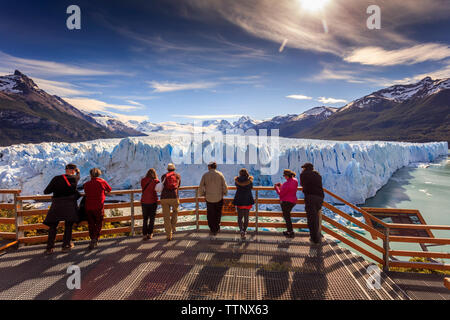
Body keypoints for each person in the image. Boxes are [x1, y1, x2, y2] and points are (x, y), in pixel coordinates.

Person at [43, 163, 81, 254]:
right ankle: (66, 246)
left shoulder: (56, 178)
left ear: (66, 170)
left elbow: (46, 191)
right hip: (69, 205)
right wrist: (78, 172)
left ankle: (49, 248)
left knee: (53, 226)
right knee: (68, 225)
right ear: (73, 171)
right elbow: (78, 176)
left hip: (57, 205)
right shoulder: (74, 178)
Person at [83, 168, 112, 250]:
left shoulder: (86, 184)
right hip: (98, 206)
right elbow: (109, 189)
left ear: (90, 175)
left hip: (88, 207)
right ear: (99, 174)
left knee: (91, 223)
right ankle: (96, 238)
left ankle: (92, 238)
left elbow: (86, 192)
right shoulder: (102, 182)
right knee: (99, 223)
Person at [199, 162, 228, 236]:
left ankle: (212, 228)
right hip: (219, 197)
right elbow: (224, 185)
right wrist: (225, 193)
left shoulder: (205, 175)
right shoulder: (220, 174)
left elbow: (201, 186)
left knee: (210, 213)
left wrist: (202, 194)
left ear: (209, 167)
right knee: (218, 213)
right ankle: (217, 228)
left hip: (209, 198)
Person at [300, 163, 325, 244]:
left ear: (305, 168)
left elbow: (302, 184)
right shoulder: (318, 175)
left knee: (311, 219)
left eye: (303, 168)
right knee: (316, 217)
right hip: (320, 197)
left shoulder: (304, 174)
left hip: (310, 197)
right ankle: (317, 236)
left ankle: (314, 239)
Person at [274, 169, 298, 239]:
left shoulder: (286, 184)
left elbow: (280, 193)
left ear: (287, 176)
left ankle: (290, 232)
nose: (284, 177)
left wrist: (276, 187)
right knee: (288, 217)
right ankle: (289, 231)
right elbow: (288, 189)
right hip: (293, 201)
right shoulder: (295, 181)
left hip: (286, 202)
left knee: (287, 217)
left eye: (284, 176)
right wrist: (281, 185)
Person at [160, 163, 181, 241]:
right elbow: (178, 186)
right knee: (175, 212)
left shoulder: (163, 176)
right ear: (174, 169)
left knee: (166, 217)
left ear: (167, 169)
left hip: (164, 198)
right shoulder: (177, 176)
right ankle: (173, 227)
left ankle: (169, 235)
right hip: (174, 197)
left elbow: (162, 185)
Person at [232, 168, 255, 240]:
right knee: (246, 217)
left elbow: (237, 186)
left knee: (239, 217)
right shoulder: (250, 181)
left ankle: (241, 230)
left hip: (239, 200)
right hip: (247, 200)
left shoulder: (237, 181)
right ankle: (244, 231)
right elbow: (251, 187)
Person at [140, 168, 159, 241]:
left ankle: (144, 234)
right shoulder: (156, 181)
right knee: (152, 218)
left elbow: (143, 187)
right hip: (153, 201)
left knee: (145, 219)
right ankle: (150, 234)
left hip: (144, 201)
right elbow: (159, 189)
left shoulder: (143, 180)